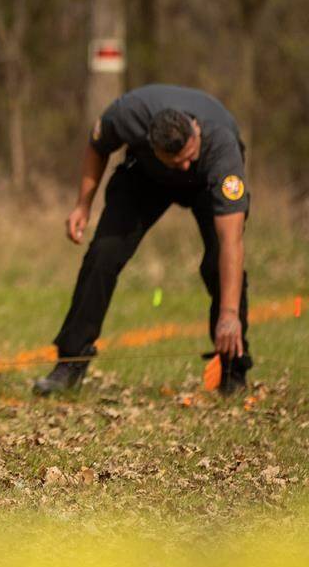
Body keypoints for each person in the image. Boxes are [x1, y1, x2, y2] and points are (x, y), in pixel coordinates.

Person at [34, 84, 252, 395]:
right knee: (103, 255)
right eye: (178, 163)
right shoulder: (128, 115)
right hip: (147, 179)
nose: (185, 167)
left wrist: (229, 315)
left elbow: (232, 241)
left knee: (218, 266)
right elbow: (98, 146)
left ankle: (233, 371)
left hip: (207, 185)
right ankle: (70, 363)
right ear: (151, 144)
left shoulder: (221, 149)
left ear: (195, 132)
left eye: (190, 157)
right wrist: (83, 204)